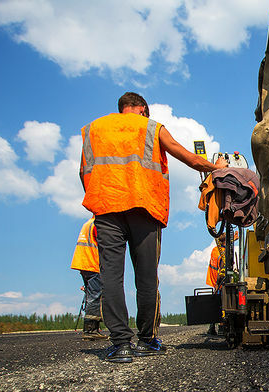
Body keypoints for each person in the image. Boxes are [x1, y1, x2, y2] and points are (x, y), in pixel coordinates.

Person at [80, 92, 226, 363]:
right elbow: (189, 158)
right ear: (143, 109)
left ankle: (120, 345)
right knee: (146, 278)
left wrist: (101, 199)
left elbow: (83, 173)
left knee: (111, 276)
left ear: (122, 108)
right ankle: (146, 340)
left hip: (107, 209)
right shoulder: (151, 127)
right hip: (144, 210)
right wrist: (215, 167)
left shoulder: (92, 129)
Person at [70, 216, 105, 340]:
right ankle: (91, 330)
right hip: (92, 263)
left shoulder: (88, 223)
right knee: (96, 295)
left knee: (91, 295)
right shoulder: (98, 224)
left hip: (83, 263)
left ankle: (90, 329)